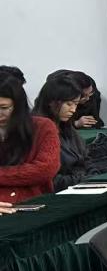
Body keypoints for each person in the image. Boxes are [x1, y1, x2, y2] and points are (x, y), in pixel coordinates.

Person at [0, 72, 60, 203]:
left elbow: (45, 169)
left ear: (18, 106)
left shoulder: (43, 127)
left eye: (4, 108)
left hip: (32, 202)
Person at [33, 72, 95, 190]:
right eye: (69, 104)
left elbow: (86, 159)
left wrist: (95, 176)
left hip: (80, 182)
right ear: (51, 102)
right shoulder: (37, 130)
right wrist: (85, 180)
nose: (73, 110)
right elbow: (48, 179)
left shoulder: (66, 127)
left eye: (75, 104)